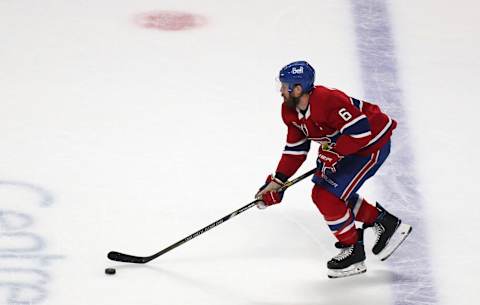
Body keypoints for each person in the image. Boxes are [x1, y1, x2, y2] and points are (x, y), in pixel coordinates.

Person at [255, 61, 412, 279]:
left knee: (326, 196)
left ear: (298, 89)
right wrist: (278, 182)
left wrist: (335, 152)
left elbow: (361, 132)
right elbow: (296, 148)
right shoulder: (290, 111)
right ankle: (385, 223)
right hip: (347, 148)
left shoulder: (328, 100)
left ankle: (354, 253)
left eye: (284, 86)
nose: (281, 90)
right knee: (326, 192)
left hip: (371, 145)